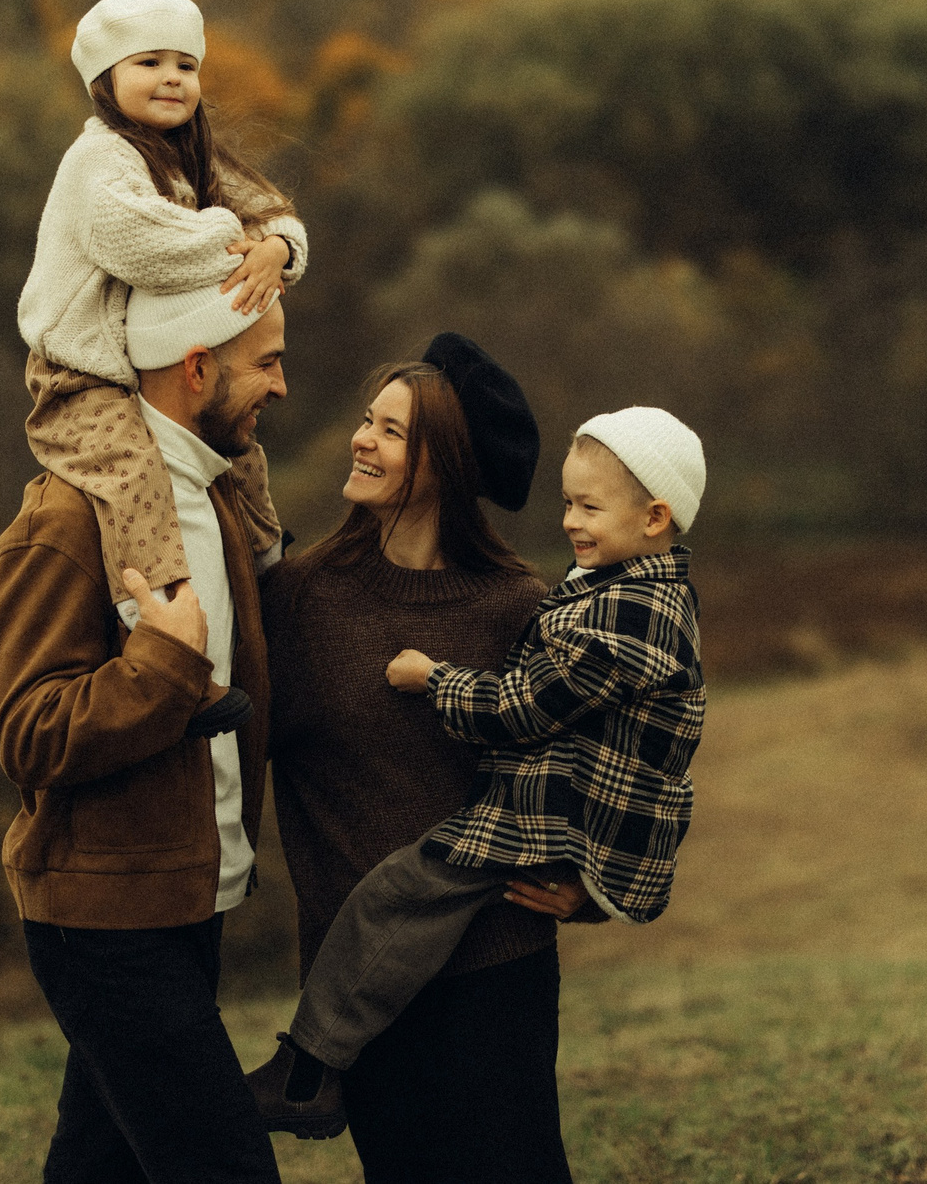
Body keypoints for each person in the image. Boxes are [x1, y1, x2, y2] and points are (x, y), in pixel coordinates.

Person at [249, 405, 709, 1141]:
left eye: (589, 507)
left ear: (655, 518)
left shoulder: (620, 611)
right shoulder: (616, 591)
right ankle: (311, 1069)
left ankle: (307, 1068)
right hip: (555, 817)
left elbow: (525, 706)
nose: (570, 521)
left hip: (546, 833)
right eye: (568, 502)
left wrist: (435, 679)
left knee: (397, 896)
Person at [0, 278, 292, 1184]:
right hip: (105, 922)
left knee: (99, 1166)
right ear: (197, 367)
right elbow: (28, 732)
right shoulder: (64, 523)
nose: (281, 384)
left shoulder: (214, 497)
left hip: (187, 900)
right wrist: (162, 665)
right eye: (267, 362)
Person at [258, 334, 580, 1180]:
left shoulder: (517, 605)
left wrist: (590, 885)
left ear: (446, 463)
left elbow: (589, 766)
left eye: (391, 430)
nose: (361, 438)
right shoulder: (299, 598)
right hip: (359, 985)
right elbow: (231, 742)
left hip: (497, 966)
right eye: (368, 419)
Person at [15, 0, 307, 726]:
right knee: (132, 477)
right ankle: (170, 640)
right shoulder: (97, 160)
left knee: (241, 458)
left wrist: (277, 246)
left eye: (186, 64)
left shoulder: (188, 156)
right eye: (149, 62)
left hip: (138, 364)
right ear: (105, 80)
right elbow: (138, 243)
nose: (172, 78)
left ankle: (270, 578)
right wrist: (234, 240)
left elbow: (275, 212)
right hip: (79, 375)